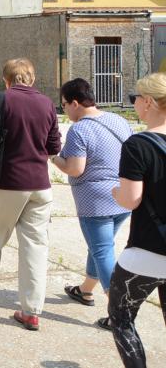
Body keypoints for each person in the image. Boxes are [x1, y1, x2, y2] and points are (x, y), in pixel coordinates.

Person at [0, 58, 61, 331]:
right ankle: (31, 311)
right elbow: (54, 145)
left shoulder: (2, 99)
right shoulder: (47, 103)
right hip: (40, 185)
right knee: (35, 247)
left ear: (7, 79)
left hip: (8, 182)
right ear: (32, 78)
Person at [50, 78, 132, 326]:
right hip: (122, 197)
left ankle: (119, 314)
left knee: (102, 250)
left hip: (94, 203)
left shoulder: (80, 130)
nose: (64, 109)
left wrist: (52, 157)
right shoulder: (119, 121)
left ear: (75, 103)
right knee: (99, 246)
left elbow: (75, 169)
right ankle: (85, 290)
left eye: (64, 104)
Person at [106, 73, 166, 366]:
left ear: (149, 102)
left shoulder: (138, 145)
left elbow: (131, 199)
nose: (134, 104)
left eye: (135, 98)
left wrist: (116, 192)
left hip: (148, 249)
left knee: (121, 317)